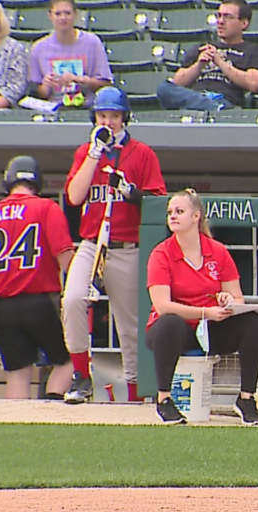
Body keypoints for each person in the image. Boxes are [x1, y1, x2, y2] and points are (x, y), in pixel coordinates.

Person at [62, 86, 166, 404]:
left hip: (126, 245)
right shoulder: (86, 152)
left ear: (125, 118)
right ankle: (82, 377)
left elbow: (158, 201)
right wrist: (94, 155)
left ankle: (135, 392)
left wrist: (132, 193)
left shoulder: (142, 152)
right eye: (102, 115)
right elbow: (74, 197)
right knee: (73, 300)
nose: (108, 122)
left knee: (130, 324)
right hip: (92, 243)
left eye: (114, 116)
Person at [146, 190, 258, 425]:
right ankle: (164, 399)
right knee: (169, 321)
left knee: (253, 322)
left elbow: (237, 297)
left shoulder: (217, 251)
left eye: (179, 211)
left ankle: (246, 398)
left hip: (210, 328)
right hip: (174, 331)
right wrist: (204, 312)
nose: (173, 216)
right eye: (170, 212)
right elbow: (162, 306)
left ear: (196, 216)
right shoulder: (161, 253)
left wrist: (227, 302)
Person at [0, 156, 76, 400]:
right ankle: (50, 412)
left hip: (2, 305)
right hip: (40, 300)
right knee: (67, 363)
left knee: (17, 373)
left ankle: (17, 427)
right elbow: (65, 254)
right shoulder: (47, 207)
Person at [157, 0, 258, 112]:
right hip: (195, 97)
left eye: (228, 17)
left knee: (203, 103)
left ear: (244, 23)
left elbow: (253, 83)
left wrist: (220, 62)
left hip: (224, 99)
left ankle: (214, 108)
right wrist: (199, 65)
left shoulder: (254, 50)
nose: (221, 21)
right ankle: (212, 108)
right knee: (164, 88)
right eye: (219, 16)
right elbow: (177, 82)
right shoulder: (202, 48)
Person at [28, 0, 113, 110]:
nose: (63, 18)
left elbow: (106, 84)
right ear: (50, 16)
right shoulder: (39, 48)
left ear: (75, 14)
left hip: (88, 108)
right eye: (58, 14)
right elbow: (38, 92)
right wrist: (46, 86)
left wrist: (83, 80)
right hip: (53, 109)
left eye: (67, 13)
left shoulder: (93, 42)